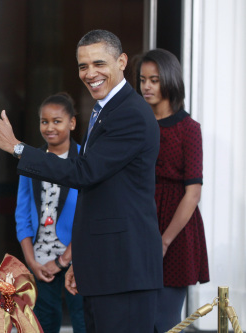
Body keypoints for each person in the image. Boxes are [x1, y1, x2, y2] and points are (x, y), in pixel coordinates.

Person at [0, 29, 163, 332]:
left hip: (124, 273)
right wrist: (83, 261)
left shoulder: (130, 113)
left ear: (122, 61)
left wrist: (18, 148)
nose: (90, 73)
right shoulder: (107, 111)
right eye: (82, 66)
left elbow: (83, 172)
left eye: (99, 63)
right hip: (105, 269)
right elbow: (99, 194)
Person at [137, 48, 209, 332]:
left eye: (154, 79)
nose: (146, 86)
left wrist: (164, 240)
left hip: (176, 230)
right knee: (139, 317)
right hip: (141, 219)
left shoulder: (189, 128)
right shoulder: (138, 126)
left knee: (165, 321)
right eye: (143, 79)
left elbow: (193, 192)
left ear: (169, 80)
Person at [15, 92, 86, 333]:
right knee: (44, 319)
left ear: (72, 123)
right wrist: (31, 261)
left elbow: (89, 216)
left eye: (57, 121)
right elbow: (22, 215)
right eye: (44, 121)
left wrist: (64, 259)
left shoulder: (84, 161)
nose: (49, 127)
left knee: (82, 316)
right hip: (41, 258)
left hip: (77, 255)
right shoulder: (31, 161)